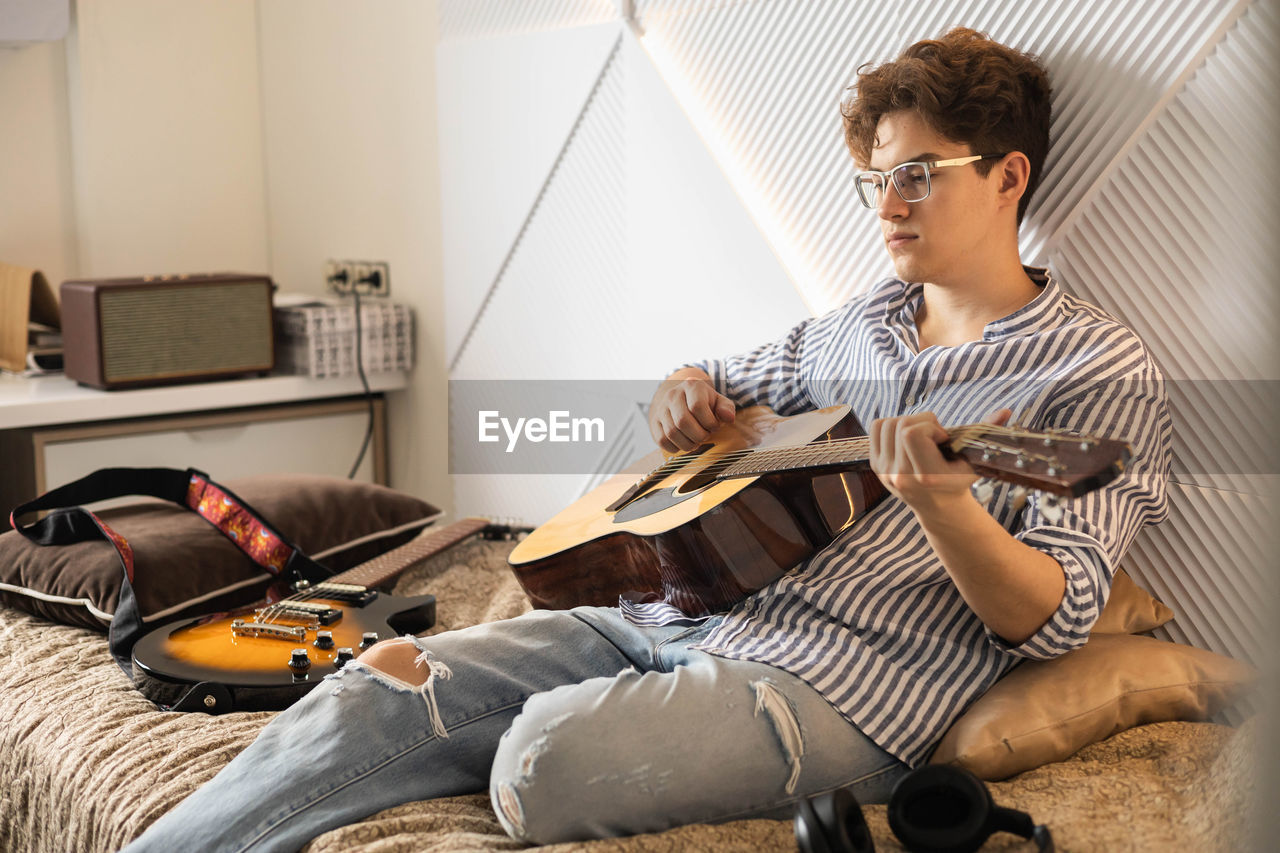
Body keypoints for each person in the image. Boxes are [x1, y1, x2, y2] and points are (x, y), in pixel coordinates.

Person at [123, 26, 1170, 853]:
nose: (884, 206)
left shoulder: (1093, 372)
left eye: (917, 175)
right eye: (873, 179)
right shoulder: (855, 324)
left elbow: (1056, 621)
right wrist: (680, 394)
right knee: (381, 682)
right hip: (680, 620)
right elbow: (707, 379)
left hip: (842, 693)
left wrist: (942, 504)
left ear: (1006, 176)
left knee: (536, 765)